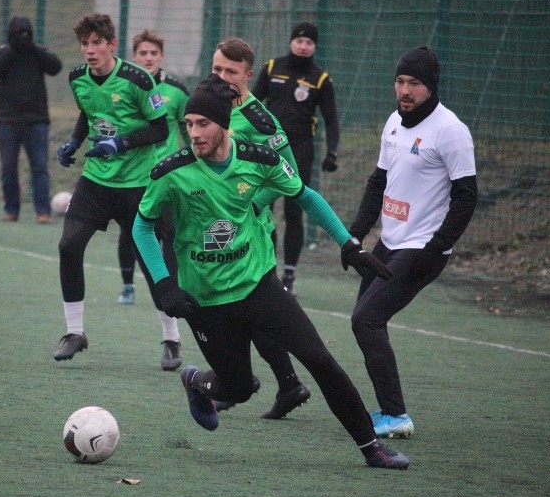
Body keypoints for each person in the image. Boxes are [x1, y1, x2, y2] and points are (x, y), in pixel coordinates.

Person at [132, 73, 408, 469]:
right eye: (189, 124)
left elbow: (305, 195)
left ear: (225, 124)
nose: (194, 132)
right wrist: (163, 284)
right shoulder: (170, 171)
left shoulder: (257, 158)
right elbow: (142, 225)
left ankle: (371, 447)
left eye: (203, 124)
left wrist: (348, 242)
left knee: (320, 360)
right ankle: (195, 380)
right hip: (207, 300)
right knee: (239, 388)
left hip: (258, 284)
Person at [347, 46, 477, 438]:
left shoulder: (450, 130)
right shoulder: (393, 122)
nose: (405, 90)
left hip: (422, 248)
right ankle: (389, 411)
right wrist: (354, 234)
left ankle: (396, 414)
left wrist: (437, 246)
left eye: (414, 83)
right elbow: (378, 183)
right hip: (391, 241)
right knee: (364, 321)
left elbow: (467, 195)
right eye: (400, 81)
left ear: (431, 87)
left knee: (366, 319)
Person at [52, 14, 170, 365]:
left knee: (150, 263)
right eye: (84, 44)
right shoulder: (77, 78)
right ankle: (75, 332)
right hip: (96, 182)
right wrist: (73, 143)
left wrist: (120, 143)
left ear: (112, 45)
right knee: (68, 246)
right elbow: (88, 113)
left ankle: (171, 338)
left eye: (96, 43)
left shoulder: (137, 79)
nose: (89, 50)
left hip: (137, 185)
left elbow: (160, 129)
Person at [210, 37, 312, 419]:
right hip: (217, 228)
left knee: (240, 310)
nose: (221, 77)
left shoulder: (259, 120)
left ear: (248, 76)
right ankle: (284, 385)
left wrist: (253, 200)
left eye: (230, 72)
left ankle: (241, 385)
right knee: (238, 311)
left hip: (251, 231)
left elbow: (290, 175)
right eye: (217, 68)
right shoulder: (210, 106)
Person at [113, 29, 189, 371]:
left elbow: (191, 131)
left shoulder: (176, 91)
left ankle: (173, 315)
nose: (147, 57)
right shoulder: (124, 87)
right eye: (141, 52)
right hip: (133, 178)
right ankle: (128, 284)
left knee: (170, 240)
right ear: (134, 54)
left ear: (161, 56)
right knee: (132, 234)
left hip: (168, 180)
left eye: (152, 53)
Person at [252, 22, 340, 294]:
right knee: (263, 207)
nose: (303, 46)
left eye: (309, 43)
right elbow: (252, 103)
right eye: (299, 41)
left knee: (293, 211)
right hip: (266, 149)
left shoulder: (320, 78)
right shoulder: (271, 68)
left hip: (300, 151)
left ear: (314, 47)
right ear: (291, 42)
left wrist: (332, 152)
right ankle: (269, 270)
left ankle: (289, 275)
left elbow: (331, 119)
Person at [0, 16, 62, 223]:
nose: (22, 38)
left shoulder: (37, 52)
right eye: (18, 35)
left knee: (39, 167)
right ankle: (11, 209)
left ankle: (43, 211)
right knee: (8, 167)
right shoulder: (3, 52)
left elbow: (55, 67)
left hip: (36, 120)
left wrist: (34, 49)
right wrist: (12, 49)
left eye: (25, 34)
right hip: (8, 121)